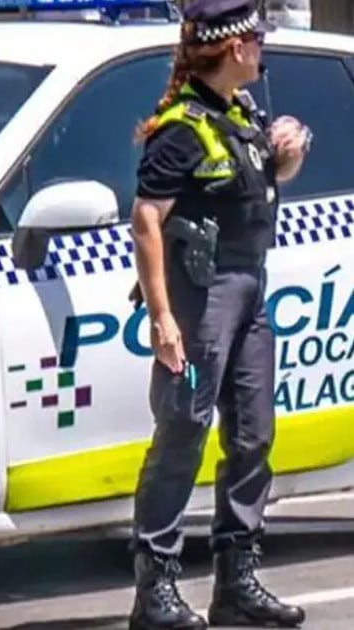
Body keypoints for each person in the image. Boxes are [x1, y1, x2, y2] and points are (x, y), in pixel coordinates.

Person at [127, 0, 312, 628]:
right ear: (234, 49)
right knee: (182, 435)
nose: (263, 50)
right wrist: (161, 317)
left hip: (248, 291)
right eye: (257, 40)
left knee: (253, 435)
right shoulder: (181, 125)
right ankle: (155, 591)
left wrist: (287, 149)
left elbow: (256, 181)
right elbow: (147, 219)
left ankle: (237, 581)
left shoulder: (241, 113)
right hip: (200, 300)